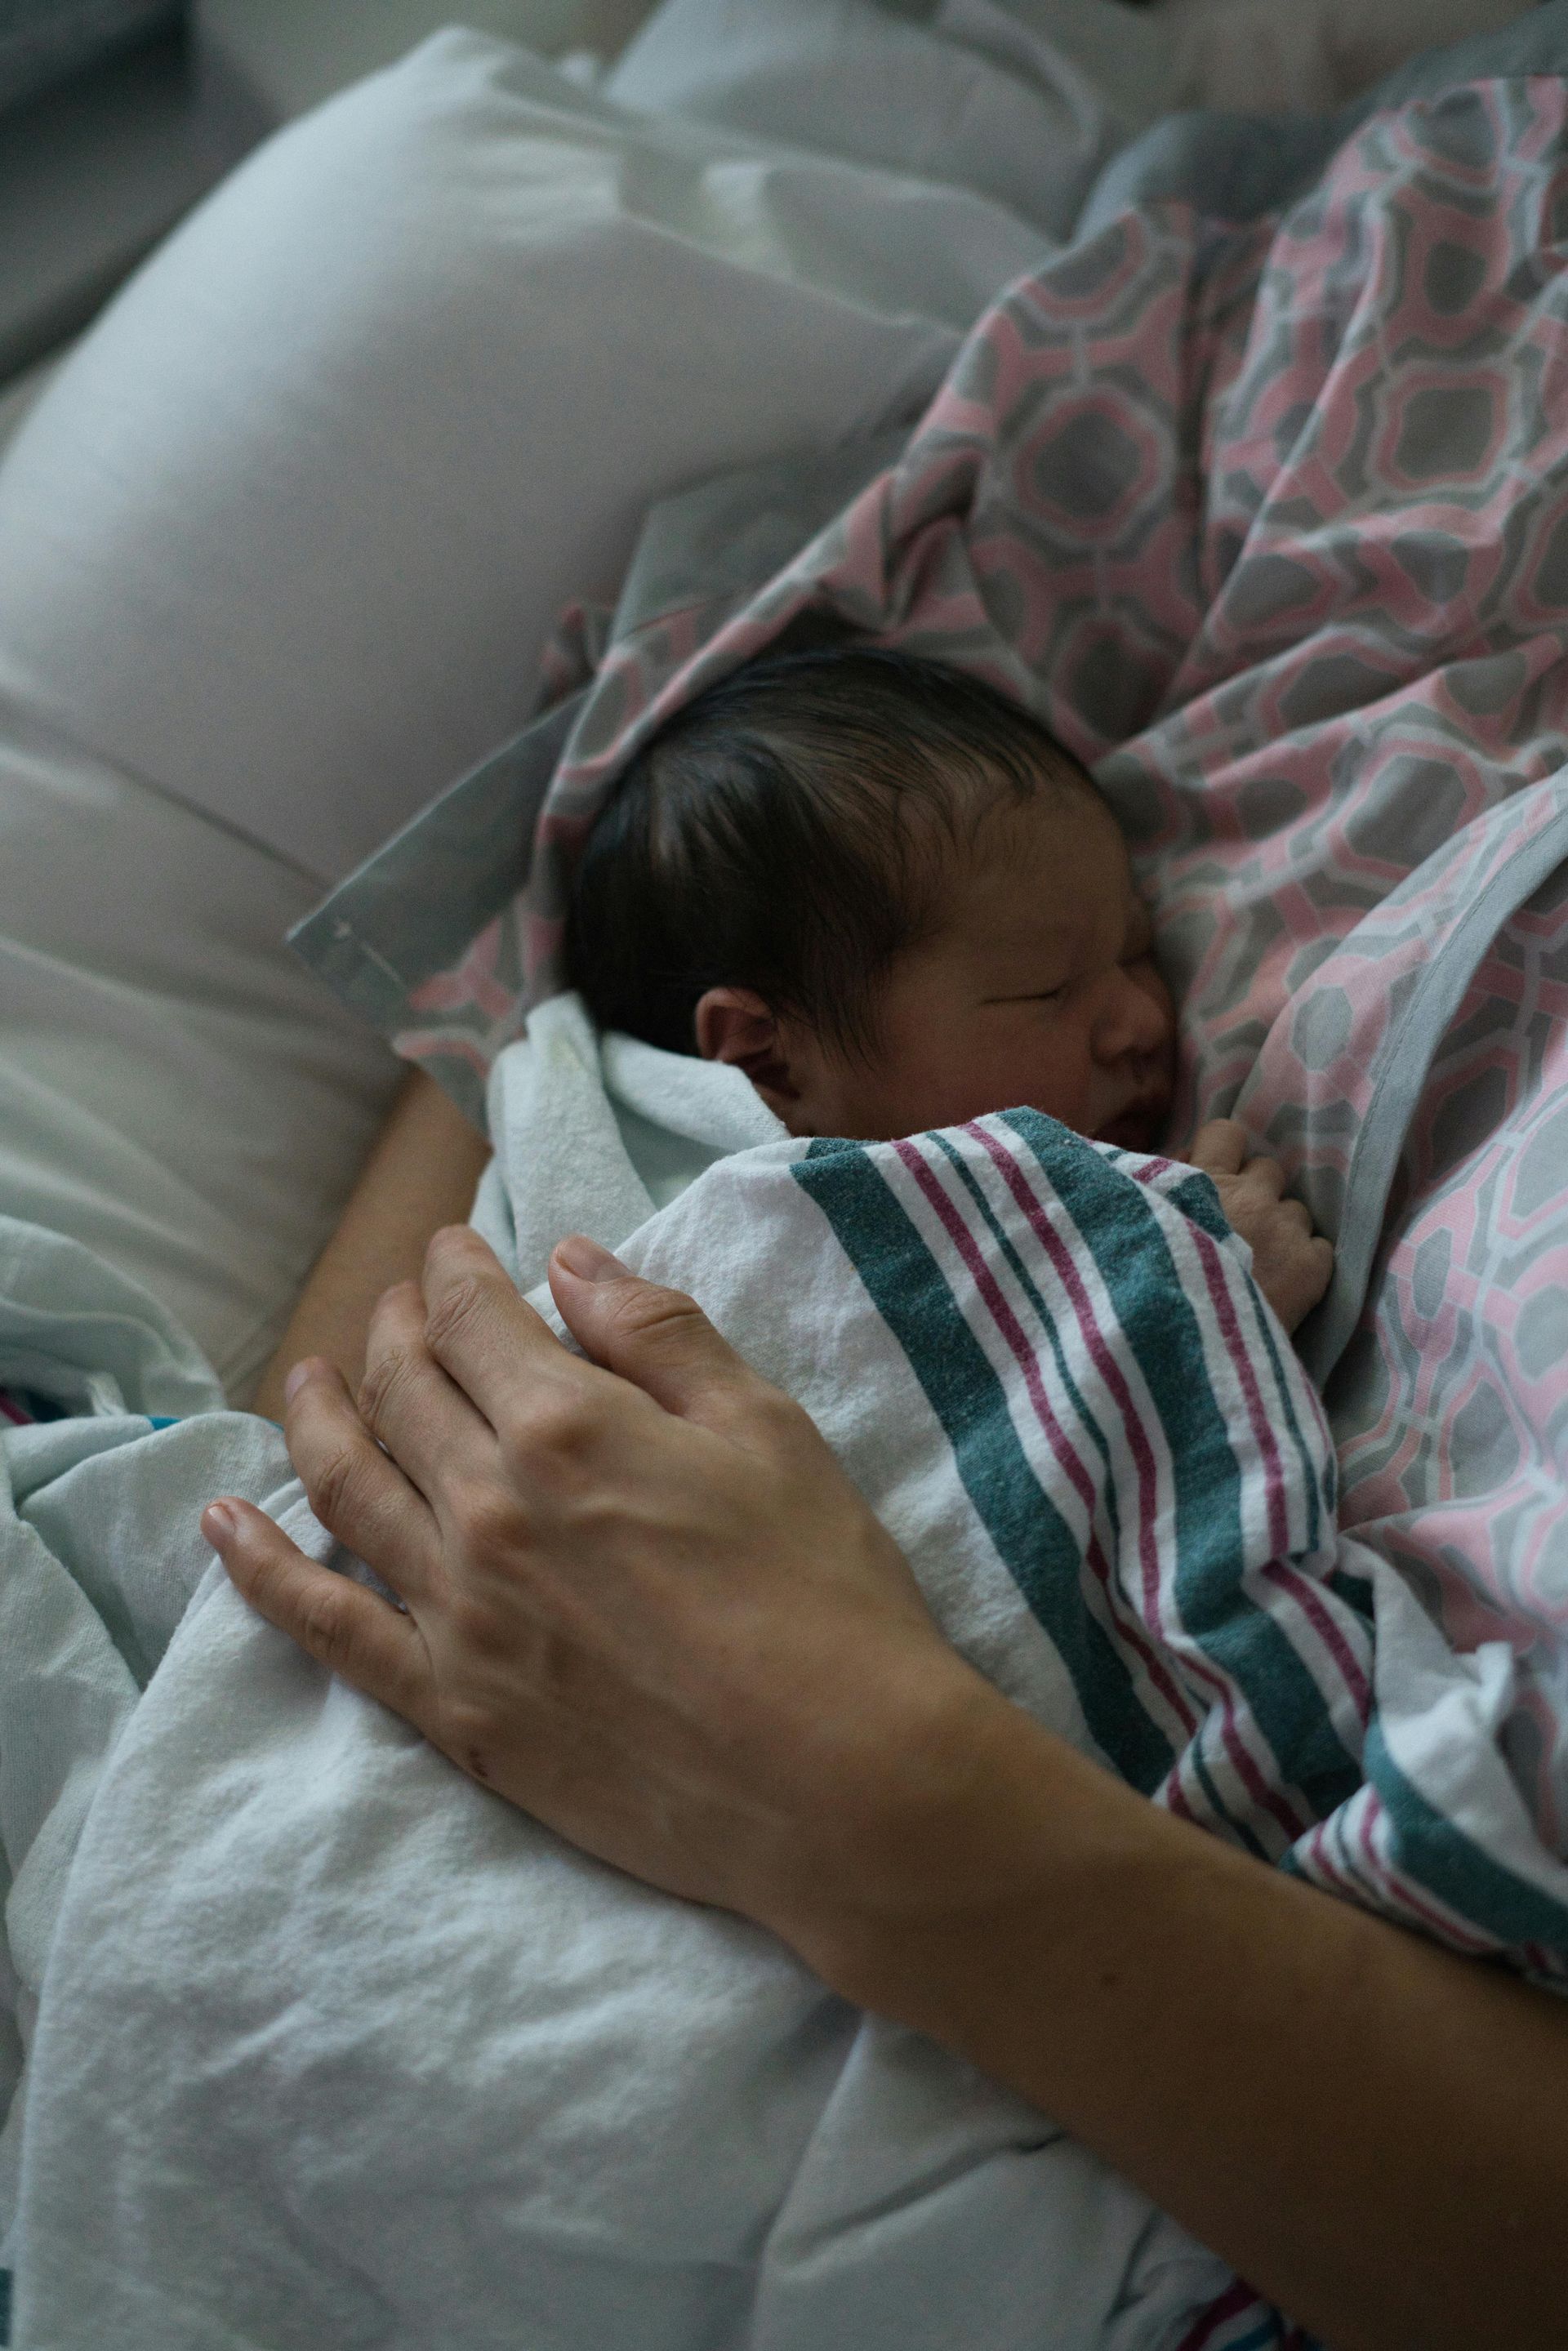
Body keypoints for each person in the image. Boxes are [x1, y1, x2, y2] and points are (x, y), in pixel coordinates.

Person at [217, 666, 1567, 2349]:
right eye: (1049, 982)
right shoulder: (678, 1180)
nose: (1143, 1015)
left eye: (1139, 953)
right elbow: (828, 1363)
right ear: (760, 1053)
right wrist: (1164, 1271)